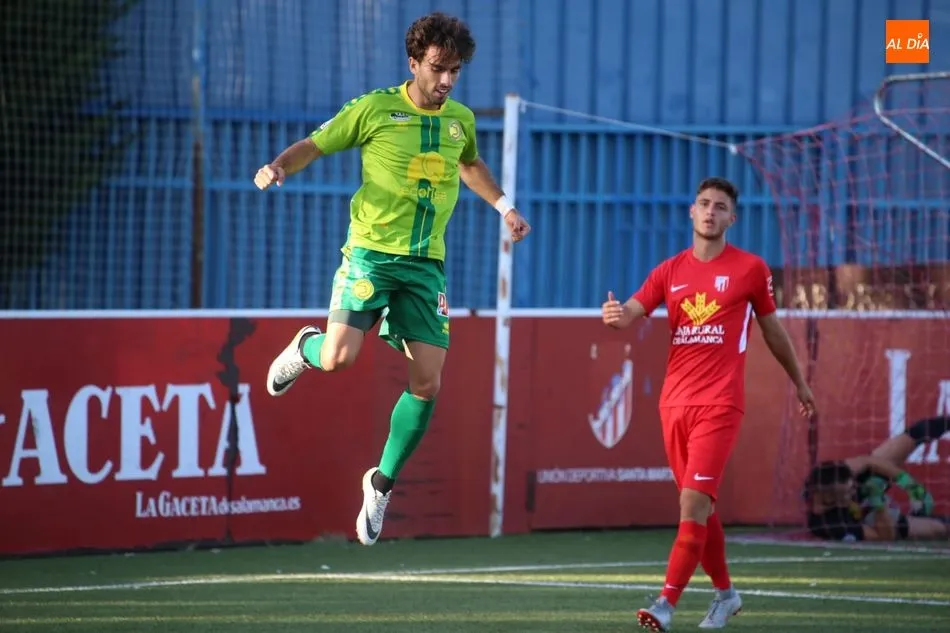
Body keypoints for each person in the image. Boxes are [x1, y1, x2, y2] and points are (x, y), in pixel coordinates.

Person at [253, 12, 531, 547]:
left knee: (428, 383)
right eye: (437, 68)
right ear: (414, 63)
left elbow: (470, 163)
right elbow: (316, 143)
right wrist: (280, 165)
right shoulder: (375, 108)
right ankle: (306, 347)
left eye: (455, 70)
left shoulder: (459, 120)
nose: (446, 80)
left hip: (425, 266)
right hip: (371, 255)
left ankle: (380, 484)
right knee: (338, 357)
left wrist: (505, 207)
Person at [601, 177, 817, 632]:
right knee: (700, 507)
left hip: (720, 403)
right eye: (704, 204)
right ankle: (726, 595)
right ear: (691, 211)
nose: (710, 212)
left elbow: (772, 330)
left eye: (720, 206)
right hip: (673, 404)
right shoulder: (669, 270)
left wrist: (799, 382)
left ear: (731, 218)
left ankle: (665, 604)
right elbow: (634, 310)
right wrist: (617, 317)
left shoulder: (750, 269)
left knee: (693, 501)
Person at [803, 415, 948, 542]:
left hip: (865, 491)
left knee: (916, 433)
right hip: (870, 516)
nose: (853, 491)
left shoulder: (832, 474)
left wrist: (911, 486)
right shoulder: (830, 525)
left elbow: (869, 461)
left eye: (852, 487)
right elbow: (884, 536)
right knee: (939, 528)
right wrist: (877, 501)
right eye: (849, 492)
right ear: (833, 500)